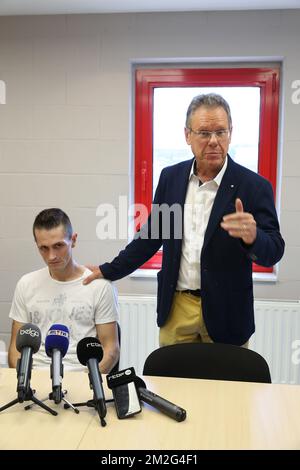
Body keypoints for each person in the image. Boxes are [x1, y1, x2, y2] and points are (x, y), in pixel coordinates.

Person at [84, 93, 285, 347]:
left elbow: (274, 251)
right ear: (187, 135)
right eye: (203, 133)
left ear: (230, 133)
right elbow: (151, 238)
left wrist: (254, 237)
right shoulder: (171, 178)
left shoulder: (254, 186)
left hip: (228, 313)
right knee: (172, 384)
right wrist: (108, 270)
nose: (213, 141)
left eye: (221, 132)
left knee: (228, 387)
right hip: (177, 308)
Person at [8, 208, 119, 373]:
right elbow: (15, 350)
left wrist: (88, 383)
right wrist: (24, 379)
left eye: (58, 246)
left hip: (81, 375)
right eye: (43, 248)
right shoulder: (26, 284)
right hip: (35, 376)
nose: (51, 256)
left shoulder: (100, 286)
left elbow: (111, 349)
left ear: (73, 240)